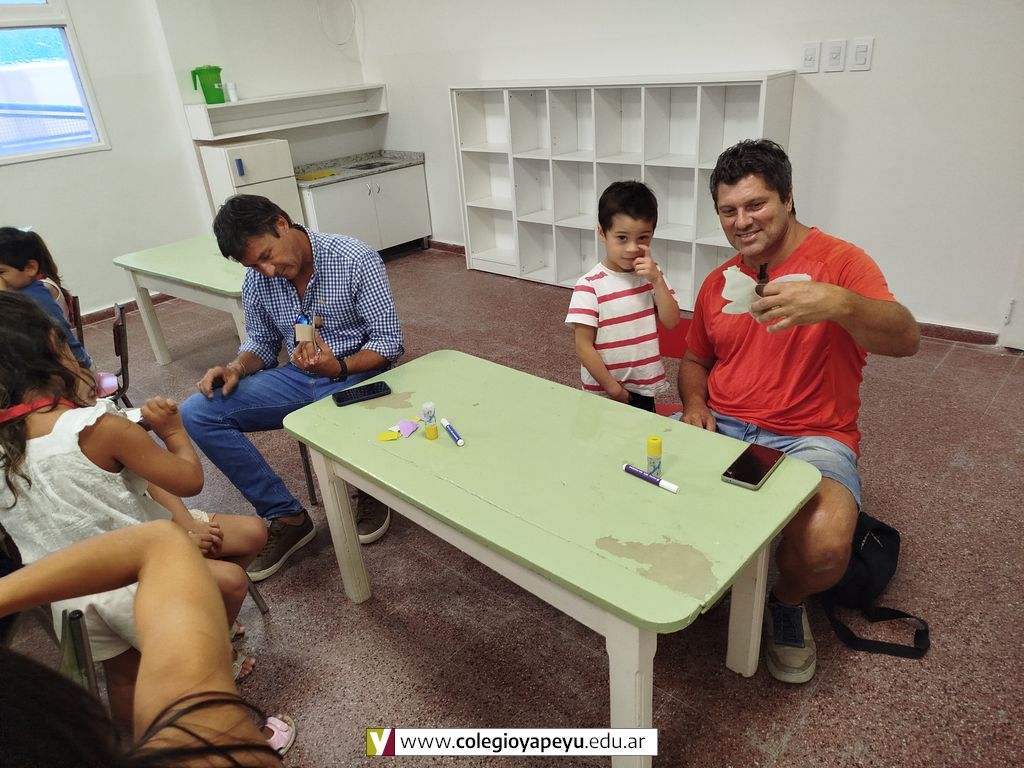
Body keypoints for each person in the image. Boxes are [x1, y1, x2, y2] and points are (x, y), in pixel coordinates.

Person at [679, 139, 920, 684]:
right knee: (634, 478)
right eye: (728, 211)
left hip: (812, 434)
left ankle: (785, 601)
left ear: (788, 198)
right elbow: (695, 360)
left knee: (825, 546)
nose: (742, 222)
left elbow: (907, 338)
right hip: (723, 422)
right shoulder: (719, 281)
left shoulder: (842, 262)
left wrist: (838, 303)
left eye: (756, 204)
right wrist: (694, 403)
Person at [0, 291, 269, 724]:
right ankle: (210, 660)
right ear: (54, 347)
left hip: (70, 598)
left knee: (124, 677)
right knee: (232, 583)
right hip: (138, 578)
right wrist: (173, 431)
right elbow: (189, 480)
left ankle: (139, 743)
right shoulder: (98, 428)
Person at [180, 195, 404, 582]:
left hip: (357, 372)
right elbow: (261, 344)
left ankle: (368, 487)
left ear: (281, 223)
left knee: (330, 409)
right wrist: (235, 368)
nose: (267, 271)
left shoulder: (354, 258)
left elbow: (388, 342)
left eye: (267, 256)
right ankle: (286, 516)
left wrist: (340, 367)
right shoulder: (258, 279)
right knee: (198, 411)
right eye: (255, 265)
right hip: (300, 377)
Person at [0, 520, 291, 764]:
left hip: (68, 600)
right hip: (109, 573)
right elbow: (160, 541)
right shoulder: (201, 752)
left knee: (123, 677)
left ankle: (138, 733)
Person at [565, 181, 680, 411]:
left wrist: (657, 280)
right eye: (622, 238)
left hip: (642, 388)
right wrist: (614, 390)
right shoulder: (590, 285)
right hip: (602, 391)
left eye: (643, 238)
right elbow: (583, 347)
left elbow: (672, 321)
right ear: (602, 233)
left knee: (643, 433)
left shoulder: (652, 276)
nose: (632, 248)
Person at [0, 225, 91, 368]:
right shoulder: (24, 291)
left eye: (1, 273)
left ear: (30, 268)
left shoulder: (33, 298)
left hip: (78, 370)